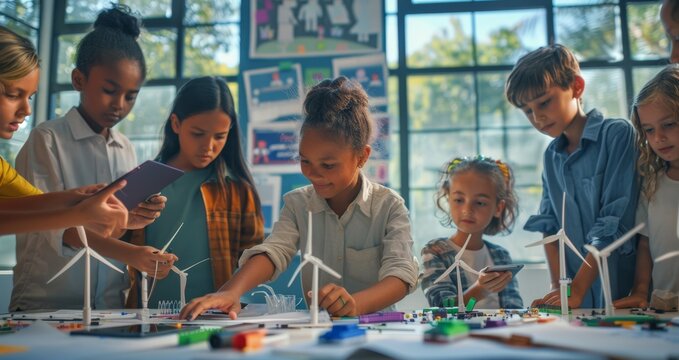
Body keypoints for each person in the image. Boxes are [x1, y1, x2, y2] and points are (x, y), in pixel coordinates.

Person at [179, 76, 418, 320]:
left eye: (328, 165)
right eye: (305, 161)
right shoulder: (297, 204)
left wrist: (355, 304)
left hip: (379, 331)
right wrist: (231, 291)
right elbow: (275, 250)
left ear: (361, 157)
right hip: (321, 330)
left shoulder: (389, 206)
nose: (314, 174)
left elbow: (401, 274)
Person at [11, 5, 176, 312]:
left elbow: (109, 227)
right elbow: (59, 229)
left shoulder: (125, 148)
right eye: (109, 90)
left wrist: (133, 217)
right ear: (78, 80)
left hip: (108, 308)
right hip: (46, 308)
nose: (119, 105)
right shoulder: (47, 140)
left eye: (131, 95)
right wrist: (131, 254)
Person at [505, 44, 639, 309]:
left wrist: (576, 288)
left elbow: (613, 222)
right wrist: (558, 288)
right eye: (527, 110)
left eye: (544, 102)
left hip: (620, 293)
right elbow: (549, 226)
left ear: (577, 87)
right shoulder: (550, 157)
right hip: (574, 300)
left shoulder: (617, 134)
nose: (537, 117)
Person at [125, 77, 264, 308]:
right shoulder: (144, 181)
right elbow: (113, 243)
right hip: (145, 318)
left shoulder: (239, 190)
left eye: (220, 136)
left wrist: (232, 294)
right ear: (176, 124)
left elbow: (256, 257)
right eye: (198, 134)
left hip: (215, 319)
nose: (208, 147)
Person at [0, 25, 128, 236]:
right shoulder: (46, 136)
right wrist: (79, 213)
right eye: (13, 95)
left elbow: (29, 203)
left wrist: (79, 199)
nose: (27, 110)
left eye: (29, 97)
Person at [613, 65, 679, 309]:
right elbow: (644, 243)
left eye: (669, 124)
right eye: (649, 130)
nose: (658, 137)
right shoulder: (652, 184)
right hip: (662, 303)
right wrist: (640, 290)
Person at [420, 156, 523, 309]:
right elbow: (442, 308)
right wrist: (480, 290)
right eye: (459, 200)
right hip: (459, 333)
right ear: (448, 199)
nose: (467, 210)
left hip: (500, 331)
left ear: (498, 208)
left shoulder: (501, 256)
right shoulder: (435, 252)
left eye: (480, 202)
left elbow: (514, 308)